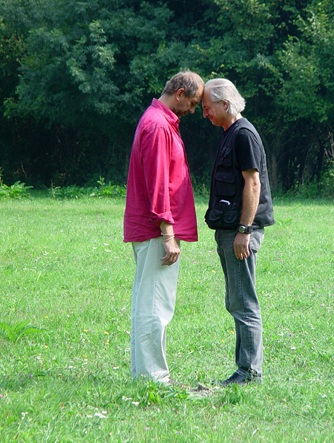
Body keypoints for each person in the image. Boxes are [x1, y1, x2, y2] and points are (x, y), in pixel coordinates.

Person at [123, 71, 204, 383]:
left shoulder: (159, 121)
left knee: (150, 302)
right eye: (193, 103)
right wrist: (168, 234)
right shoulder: (158, 125)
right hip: (156, 230)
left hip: (153, 228)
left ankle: (145, 374)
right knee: (155, 306)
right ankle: (153, 378)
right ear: (180, 93)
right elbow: (159, 185)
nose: (193, 111)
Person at [202, 78, 275, 386]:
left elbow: (253, 183)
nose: (205, 114)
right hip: (230, 229)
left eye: (208, 108)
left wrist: (244, 230)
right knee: (236, 300)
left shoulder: (243, 135)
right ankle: (245, 369)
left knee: (243, 301)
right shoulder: (230, 133)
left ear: (225, 104)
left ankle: (249, 373)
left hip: (240, 231)